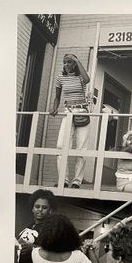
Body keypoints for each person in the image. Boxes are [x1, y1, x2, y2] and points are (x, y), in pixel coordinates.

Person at [50, 53, 91, 188]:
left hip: (82, 112)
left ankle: (76, 181)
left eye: (69, 62)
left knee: (81, 149)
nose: (66, 65)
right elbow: (57, 96)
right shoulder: (60, 78)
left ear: (74, 63)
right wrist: (54, 108)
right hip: (68, 112)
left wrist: (77, 60)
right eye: (64, 62)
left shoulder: (80, 77)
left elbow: (87, 79)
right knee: (61, 146)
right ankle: (64, 180)